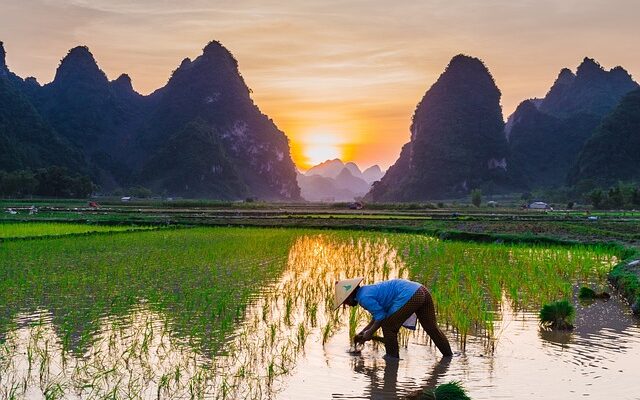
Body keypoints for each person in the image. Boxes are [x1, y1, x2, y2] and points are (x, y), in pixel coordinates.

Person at [334, 278, 452, 358]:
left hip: (410, 295)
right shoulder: (366, 291)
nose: (346, 305)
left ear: (349, 296)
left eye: (345, 302)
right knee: (432, 328)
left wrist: (370, 333)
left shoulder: (363, 298)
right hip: (421, 290)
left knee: (388, 327)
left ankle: (392, 359)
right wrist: (364, 332)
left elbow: (381, 317)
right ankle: (448, 357)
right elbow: (377, 316)